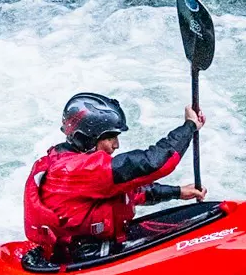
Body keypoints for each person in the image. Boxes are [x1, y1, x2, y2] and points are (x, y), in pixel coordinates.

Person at [24, 92, 207, 260]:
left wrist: (177, 192)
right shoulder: (78, 169)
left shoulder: (72, 163)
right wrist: (189, 127)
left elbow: (131, 192)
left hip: (92, 245)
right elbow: (152, 162)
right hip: (86, 255)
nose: (116, 145)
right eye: (111, 137)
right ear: (89, 137)